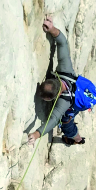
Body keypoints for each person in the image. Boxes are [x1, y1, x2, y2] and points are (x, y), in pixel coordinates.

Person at [27, 16, 87, 147]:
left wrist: (36, 134)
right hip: (80, 91)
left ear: (57, 96)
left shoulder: (64, 103)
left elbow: (53, 120)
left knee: (66, 122)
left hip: (75, 102)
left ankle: (77, 139)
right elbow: (62, 43)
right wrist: (52, 28)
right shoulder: (65, 70)